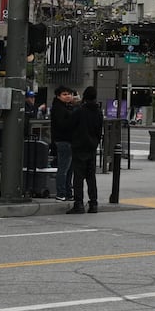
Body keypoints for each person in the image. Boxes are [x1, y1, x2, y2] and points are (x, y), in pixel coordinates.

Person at [67, 86, 104, 214]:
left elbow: (70, 125)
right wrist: (95, 142)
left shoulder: (79, 111)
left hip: (79, 146)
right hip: (92, 146)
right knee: (91, 177)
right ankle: (93, 203)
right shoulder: (98, 112)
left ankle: (79, 204)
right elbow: (99, 130)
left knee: (78, 177)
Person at [49, 85, 76, 203]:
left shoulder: (67, 107)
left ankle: (68, 192)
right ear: (58, 96)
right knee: (64, 169)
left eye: (69, 93)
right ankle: (61, 193)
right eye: (64, 94)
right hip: (63, 140)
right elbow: (62, 124)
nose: (68, 96)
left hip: (68, 140)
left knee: (69, 169)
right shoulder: (58, 108)